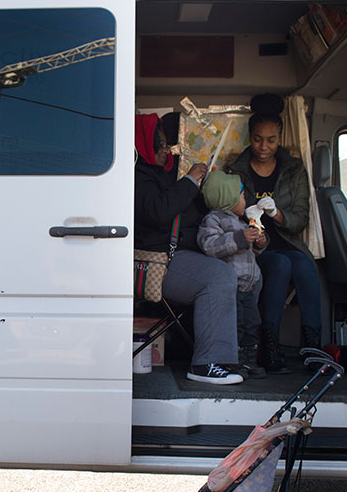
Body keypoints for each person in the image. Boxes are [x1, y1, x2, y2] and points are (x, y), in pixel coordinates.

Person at [134, 113, 244, 385]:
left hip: (179, 253)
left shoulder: (167, 171)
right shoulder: (138, 176)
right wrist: (190, 181)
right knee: (219, 276)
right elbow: (159, 212)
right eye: (158, 144)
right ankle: (206, 364)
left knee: (239, 269)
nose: (164, 149)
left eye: (166, 144)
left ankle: (239, 355)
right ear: (141, 142)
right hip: (157, 260)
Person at [225, 94, 322, 374]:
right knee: (280, 264)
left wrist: (275, 213)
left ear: (279, 138)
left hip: (287, 241)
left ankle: (314, 346)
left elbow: (300, 219)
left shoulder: (293, 169)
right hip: (254, 247)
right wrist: (250, 215)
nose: (263, 146)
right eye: (257, 139)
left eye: (271, 140)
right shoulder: (236, 169)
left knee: (304, 265)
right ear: (249, 137)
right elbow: (226, 210)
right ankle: (269, 346)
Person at [197, 170, 268, 379]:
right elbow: (210, 246)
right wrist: (240, 237)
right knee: (233, 326)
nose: (245, 200)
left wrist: (260, 242)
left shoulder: (242, 221)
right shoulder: (213, 220)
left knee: (251, 325)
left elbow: (250, 251)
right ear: (227, 198)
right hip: (230, 287)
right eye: (243, 196)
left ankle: (248, 360)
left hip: (249, 286)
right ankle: (230, 361)